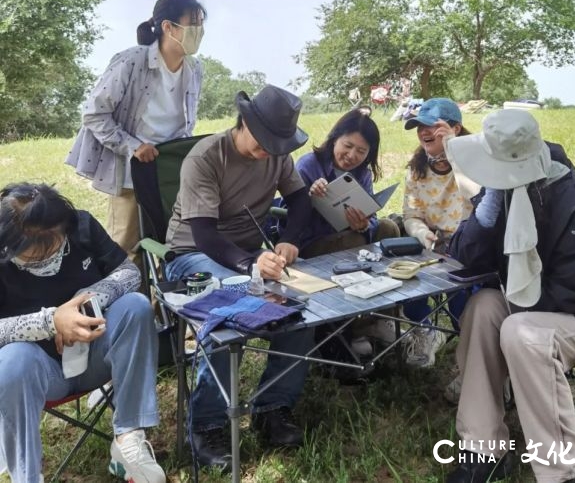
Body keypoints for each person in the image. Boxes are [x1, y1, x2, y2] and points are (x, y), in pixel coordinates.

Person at [444, 109, 575, 483]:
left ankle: (566, 470)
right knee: (483, 307)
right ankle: (483, 446)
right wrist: (483, 217)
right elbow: (464, 259)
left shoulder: (572, 202)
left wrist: (520, 313)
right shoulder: (504, 194)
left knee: (522, 332)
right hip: (539, 305)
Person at [165, 85, 315, 472]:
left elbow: (300, 200)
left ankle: (273, 406)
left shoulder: (278, 154)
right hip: (192, 257)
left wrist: (287, 241)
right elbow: (203, 234)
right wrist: (250, 265)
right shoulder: (206, 156)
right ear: (244, 122)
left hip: (251, 257)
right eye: (264, 141)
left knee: (297, 304)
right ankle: (207, 425)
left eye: (277, 145)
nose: (269, 151)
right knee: (229, 306)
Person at [0, 183, 164, 483]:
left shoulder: (81, 225)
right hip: (40, 374)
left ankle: (128, 440)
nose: (48, 255)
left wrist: (88, 298)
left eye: (54, 242)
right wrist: (51, 322)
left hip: (95, 355)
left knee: (135, 306)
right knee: (12, 359)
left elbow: (129, 272)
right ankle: (26, 474)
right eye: (34, 253)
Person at [66, 0, 206, 260]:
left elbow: (185, 124)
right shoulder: (133, 61)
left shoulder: (194, 68)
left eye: (201, 24)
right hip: (130, 169)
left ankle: (161, 303)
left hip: (167, 171)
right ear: (168, 27)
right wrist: (133, 146)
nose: (199, 30)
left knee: (170, 245)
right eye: (194, 22)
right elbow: (94, 114)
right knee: (126, 248)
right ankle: (131, 302)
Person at [400, 98, 478, 368]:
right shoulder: (416, 170)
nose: (423, 131)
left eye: (431, 125)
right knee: (407, 284)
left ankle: (470, 352)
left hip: (472, 245)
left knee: (463, 301)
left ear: (455, 128)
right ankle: (426, 332)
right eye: (419, 126)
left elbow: (480, 198)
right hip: (433, 246)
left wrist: (455, 152)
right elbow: (411, 215)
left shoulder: (476, 159)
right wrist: (422, 233)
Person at [295, 109, 400, 258]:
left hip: (350, 235)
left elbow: (372, 218)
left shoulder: (363, 173)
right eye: (348, 146)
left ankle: (386, 275)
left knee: (389, 227)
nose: (352, 156)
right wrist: (310, 198)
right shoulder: (308, 165)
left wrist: (364, 226)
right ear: (334, 140)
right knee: (354, 240)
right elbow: (289, 217)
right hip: (312, 242)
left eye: (361, 151)